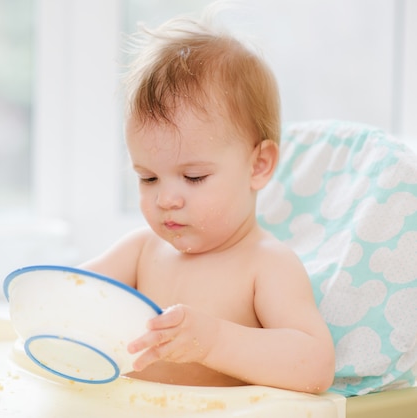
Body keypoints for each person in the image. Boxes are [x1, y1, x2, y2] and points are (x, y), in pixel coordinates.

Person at [80, 8, 335, 394]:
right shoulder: (140, 251)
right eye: (147, 177)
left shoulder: (266, 265)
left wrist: (215, 342)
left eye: (193, 177)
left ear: (258, 165)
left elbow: (315, 366)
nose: (165, 198)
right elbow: (71, 293)